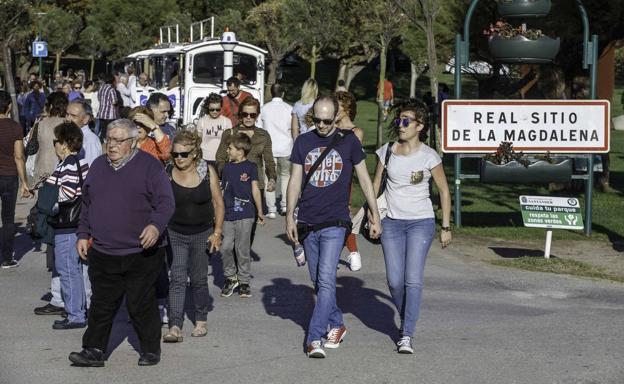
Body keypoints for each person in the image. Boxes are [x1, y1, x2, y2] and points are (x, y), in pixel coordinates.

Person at [68, 119, 175, 367]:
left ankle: (149, 349)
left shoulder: (150, 167)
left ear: (133, 142)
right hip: (104, 251)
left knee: (140, 302)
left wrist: (155, 225)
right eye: (109, 139)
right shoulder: (98, 166)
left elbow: (166, 203)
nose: (112, 145)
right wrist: (83, 234)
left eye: (118, 140)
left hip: (142, 251)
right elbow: (87, 204)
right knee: (101, 303)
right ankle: (93, 350)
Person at [285, 96, 382, 358]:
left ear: (336, 116)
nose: (322, 125)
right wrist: (289, 217)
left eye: (327, 120)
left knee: (327, 279)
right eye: (317, 120)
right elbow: (295, 180)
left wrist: (374, 213)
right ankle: (337, 324)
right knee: (319, 281)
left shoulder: (348, 141)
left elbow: (364, 178)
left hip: (336, 221)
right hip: (307, 220)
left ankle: (314, 338)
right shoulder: (304, 142)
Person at [373, 100, 451, 354]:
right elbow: (375, 186)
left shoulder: (429, 156)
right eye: (399, 119)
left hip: (421, 222)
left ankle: (406, 333)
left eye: (407, 120)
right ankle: (408, 314)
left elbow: (443, 191)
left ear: (419, 125)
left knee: (412, 280)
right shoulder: (387, 151)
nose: (401, 124)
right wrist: (374, 216)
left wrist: (446, 225)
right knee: (395, 281)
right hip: (391, 223)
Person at [162, 131, 224, 342]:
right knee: (177, 278)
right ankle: (175, 325)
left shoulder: (207, 171)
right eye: (175, 154)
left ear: (195, 153)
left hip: (202, 233)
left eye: (184, 154)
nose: (179, 158)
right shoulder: (168, 171)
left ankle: (201, 319)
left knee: (198, 279)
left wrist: (217, 232)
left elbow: (218, 203)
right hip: (175, 232)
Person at [46, 122, 90, 330]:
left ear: (64, 144)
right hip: (77, 224)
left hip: (68, 224)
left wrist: (50, 200)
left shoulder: (70, 164)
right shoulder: (79, 162)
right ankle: (79, 310)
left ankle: (75, 315)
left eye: (56, 141)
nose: (54, 145)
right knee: (75, 269)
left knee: (68, 270)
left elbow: (68, 193)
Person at [220, 132, 265, 298]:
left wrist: (260, 210)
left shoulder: (251, 167)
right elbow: (223, 190)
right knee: (225, 247)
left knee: (242, 248)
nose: (227, 151)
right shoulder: (226, 168)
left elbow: (255, 189)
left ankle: (244, 281)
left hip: (246, 213)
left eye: (230, 148)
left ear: (240, 151)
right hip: (228, 212)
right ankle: (231, 277)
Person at [215, 97, 276, 200]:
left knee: (256, 214)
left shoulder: (263, 135)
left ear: (257, 116)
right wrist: (227, 175)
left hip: (256, 185)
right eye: (245, 114)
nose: (248, 117)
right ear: (240, 114)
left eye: (252, 115)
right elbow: (220, 159)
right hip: (234, 186)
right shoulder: (230, 133)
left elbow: (269, 161)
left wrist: (272, 179)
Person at [0, 91, 31, 269]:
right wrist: (24, 182)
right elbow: (19, 156)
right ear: (9, 106)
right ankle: (6, 258)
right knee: (8, 218)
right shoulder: (14, 127)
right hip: (9, 176)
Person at [334, 91, 364, 272]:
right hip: (327, 177)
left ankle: (353, 251)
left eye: (339, 106)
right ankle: (332, 253)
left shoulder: (356, 131)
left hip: (344, 180)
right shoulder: (329, 128)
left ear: (347, 109)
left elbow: (352, 156)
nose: (335, 110)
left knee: (343, 215)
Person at [259, 83, 292, 218]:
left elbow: (259, 129)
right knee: (285, 176)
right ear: (283, 93)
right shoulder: (290, 109)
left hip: (269, 148)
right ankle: (284, 204)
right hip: (286, 147)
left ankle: (271, 209)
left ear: (271, 93)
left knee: (269, 177)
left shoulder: (264, 109)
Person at [195, 93, 232, 164]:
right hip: (205, 158)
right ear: (208, 107)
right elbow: (198, 141)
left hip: (221, 159)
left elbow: (229, 142)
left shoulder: (226, 121)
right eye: (212, 109)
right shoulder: (202, 121)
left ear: (221, 108)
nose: (215, 112)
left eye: (217, 109)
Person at [65, 100, 103, 166]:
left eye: (73, 116)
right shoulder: (69, 134)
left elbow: (90, 170)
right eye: (67, 114)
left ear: (85, 119)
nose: (68, 119)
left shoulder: (90, 141)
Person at [96, 73, 119, 141]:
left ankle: (102, 144)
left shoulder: (101, 88)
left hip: (102, 113)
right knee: (109, 133)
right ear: (112, 80)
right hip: (109, 115)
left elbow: (98, 98)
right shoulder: (111, 90)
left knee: (103, 131)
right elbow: (114, 102)